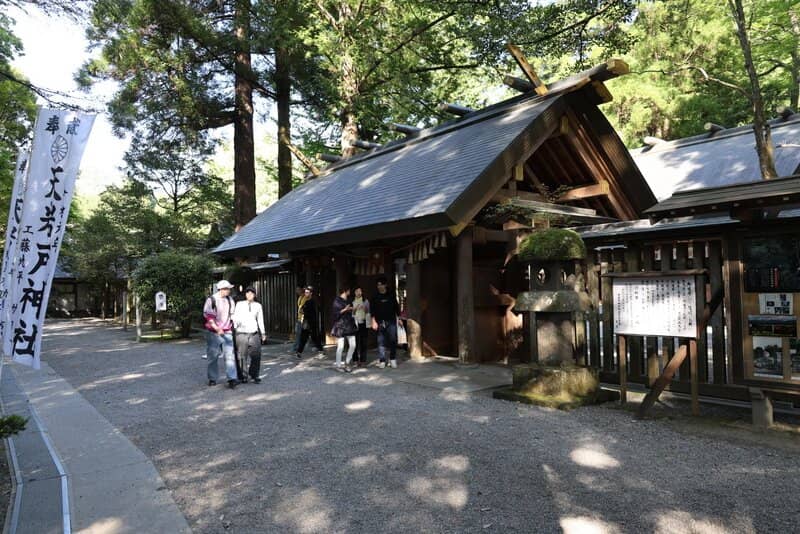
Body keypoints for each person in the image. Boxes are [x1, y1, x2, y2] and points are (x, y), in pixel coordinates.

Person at [203, 280, 238, 388]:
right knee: (213, 356)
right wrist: (217, 328)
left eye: (229, 288)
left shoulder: (230, 299)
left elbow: (232, 314)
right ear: (221, 289)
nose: (229, 290)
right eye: (227, 288)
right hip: (213, 332)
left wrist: (235, 325)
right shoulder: (212, 300)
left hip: (227, 331)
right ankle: (212, 378)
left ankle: (232, 378)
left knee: (230, 356)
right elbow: (209, 317)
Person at [233, 287, 267, 384]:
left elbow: (260, 320)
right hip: (241, 333)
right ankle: (243, 376)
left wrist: (263, 333)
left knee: (256, 354)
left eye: (251, 293)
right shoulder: (239, 304)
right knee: (242, 356)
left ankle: (254, 374)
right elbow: (235, 316)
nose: (249, 294)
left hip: (254, 332)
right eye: (247, 293)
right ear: (245, 294)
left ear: (255, 295)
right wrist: (235, 326)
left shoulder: (258, 306)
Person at [371, 276, 400, 368]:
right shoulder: (375, 297)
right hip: (380, 321)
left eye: (381, 285)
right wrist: (373, 321)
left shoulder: (391, 295)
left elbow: (396, 308)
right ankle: (382, 360)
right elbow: (372, 311)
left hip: (391, 321)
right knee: (381, 341)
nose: (380, 286)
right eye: (378, 285)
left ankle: (392, 359)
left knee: (393, 340)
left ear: (385, 285)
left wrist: (399, 319)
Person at [331, 288, 357, 372]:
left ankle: (347, 362)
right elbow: (335, 314)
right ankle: (338, 365)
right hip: (341, 325)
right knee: (341, 346)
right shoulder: (337, 301)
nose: (350, 292)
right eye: (349, 290)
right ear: (345, 291)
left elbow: (351, 313)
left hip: (349, 324)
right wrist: (345, 309)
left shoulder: (348, 300)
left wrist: (353, 309)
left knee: (353, 344)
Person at [296, 286, 324, 358]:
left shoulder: (313, 302)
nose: (306, 294)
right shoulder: (306, 301)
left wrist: (304, 311)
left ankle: (320, 350)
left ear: (311, 293)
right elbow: (301, 310)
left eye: (307, 292)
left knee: (314, 337)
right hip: (306, 321)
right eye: (305, 292)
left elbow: (310, 311)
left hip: (312, 322)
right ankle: (299, 352)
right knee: (303, 337)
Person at [352, 286, 370, 366]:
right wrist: (354, 309)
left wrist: (365, 308)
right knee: (354, 343)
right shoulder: (351, 301)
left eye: (360, 291)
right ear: (354, 292)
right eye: (357, 291)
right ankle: (355, 360)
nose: (358, 293)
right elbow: (351, 314)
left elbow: (368, 313)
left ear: (362, 292)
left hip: (363, 322)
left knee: (363, 342)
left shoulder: (365, 301)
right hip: (354, 323)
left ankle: (363, 360)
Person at [292, 284, 305, 353]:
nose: (297, 291)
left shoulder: (305, 298)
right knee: (298, 333)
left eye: (298, 289)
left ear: (301, 289)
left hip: (304, 318)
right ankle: (296, 347)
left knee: (299, 333)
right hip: (300, 318)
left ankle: (296, 347)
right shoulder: (300, 297)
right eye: (296, 290)